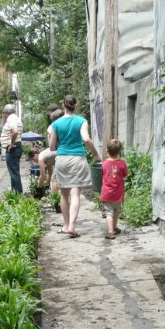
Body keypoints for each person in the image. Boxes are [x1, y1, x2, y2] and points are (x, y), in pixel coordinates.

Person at [48, 94, 102, 238]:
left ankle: (66, 226)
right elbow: (86, 139)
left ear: (63, 105)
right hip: (77, 158)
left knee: (64, 195)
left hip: (62, 160)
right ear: (75, 105)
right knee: (76, 194)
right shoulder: (81, 121)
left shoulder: (56, 124)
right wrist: (96, 154)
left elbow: (52, 147)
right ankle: (72, 225)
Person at [100, 139, 128, 239]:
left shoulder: (104, 164)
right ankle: (114, 228)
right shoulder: (122, 163)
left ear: (107, 151)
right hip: (118, 193)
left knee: (108, 212)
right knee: (116, 211)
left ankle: (111, 231)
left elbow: (102, 176)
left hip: (107, 193)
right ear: (120, 151)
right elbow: (125, 175)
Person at [0, 104, 23, 193]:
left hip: (13, 149)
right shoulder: (16, 119)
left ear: (6, 113)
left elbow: (15, 131)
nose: (3, 116)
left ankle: (17, 194)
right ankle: (15, 193)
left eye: (3, 113)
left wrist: (11, 144)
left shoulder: (11, 119)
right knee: (14, 172)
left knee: (14, 173)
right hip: (16, 148)